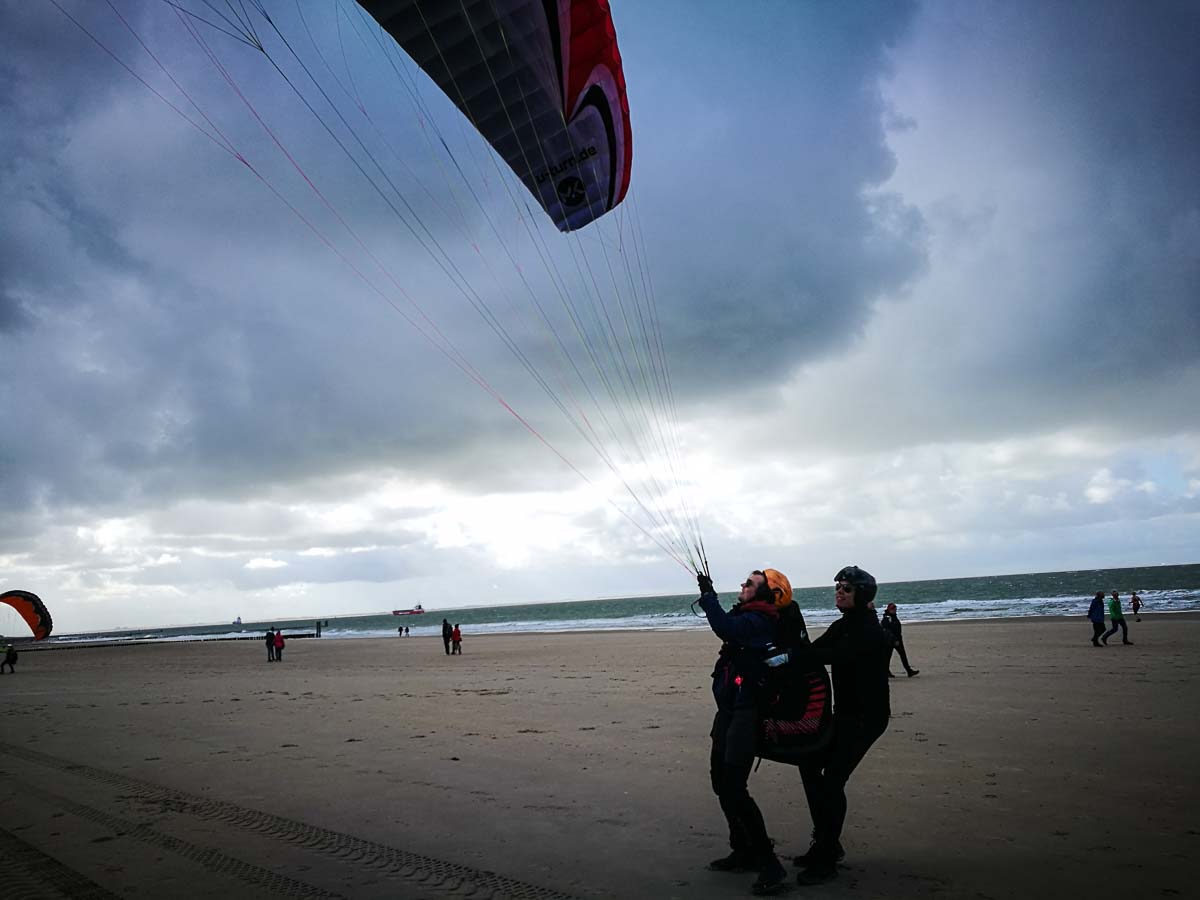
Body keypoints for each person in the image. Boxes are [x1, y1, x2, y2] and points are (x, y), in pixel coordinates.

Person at [788, 566, 892, 885]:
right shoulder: (843, 624)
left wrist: (794, 656)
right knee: (808, 766)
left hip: (866, 719)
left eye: (846, 588)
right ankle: (825, 843)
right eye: (837, 587)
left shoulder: (868, 630)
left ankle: (827, 856)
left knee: (833, 781)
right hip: (844, 715)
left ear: (862, 594)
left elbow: (830, 655)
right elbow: (812, 650)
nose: (839, 592)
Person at [697, 568, 792, 896]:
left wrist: (708, 597)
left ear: (764, 593)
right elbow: (728, 625)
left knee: (735, 788)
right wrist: (709, 593)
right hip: (728, 711)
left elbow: (724, 627)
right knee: (720, 782)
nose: (742, 585)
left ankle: (770, 864)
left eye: (750, 584)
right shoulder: (747, 615)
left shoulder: (761, 620)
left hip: (746, 713)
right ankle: (742, 850)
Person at [879, 603, 919, 677]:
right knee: (888, 657)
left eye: (895, 608)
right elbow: (887, 631)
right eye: (892, 609)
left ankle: (909, 671)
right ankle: (887, 672)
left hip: (897, 639)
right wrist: (894, 639)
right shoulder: (887, 618)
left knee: (902, 655)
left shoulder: (893, 616)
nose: (894, 610)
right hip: (891, 640)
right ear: (889, 609)